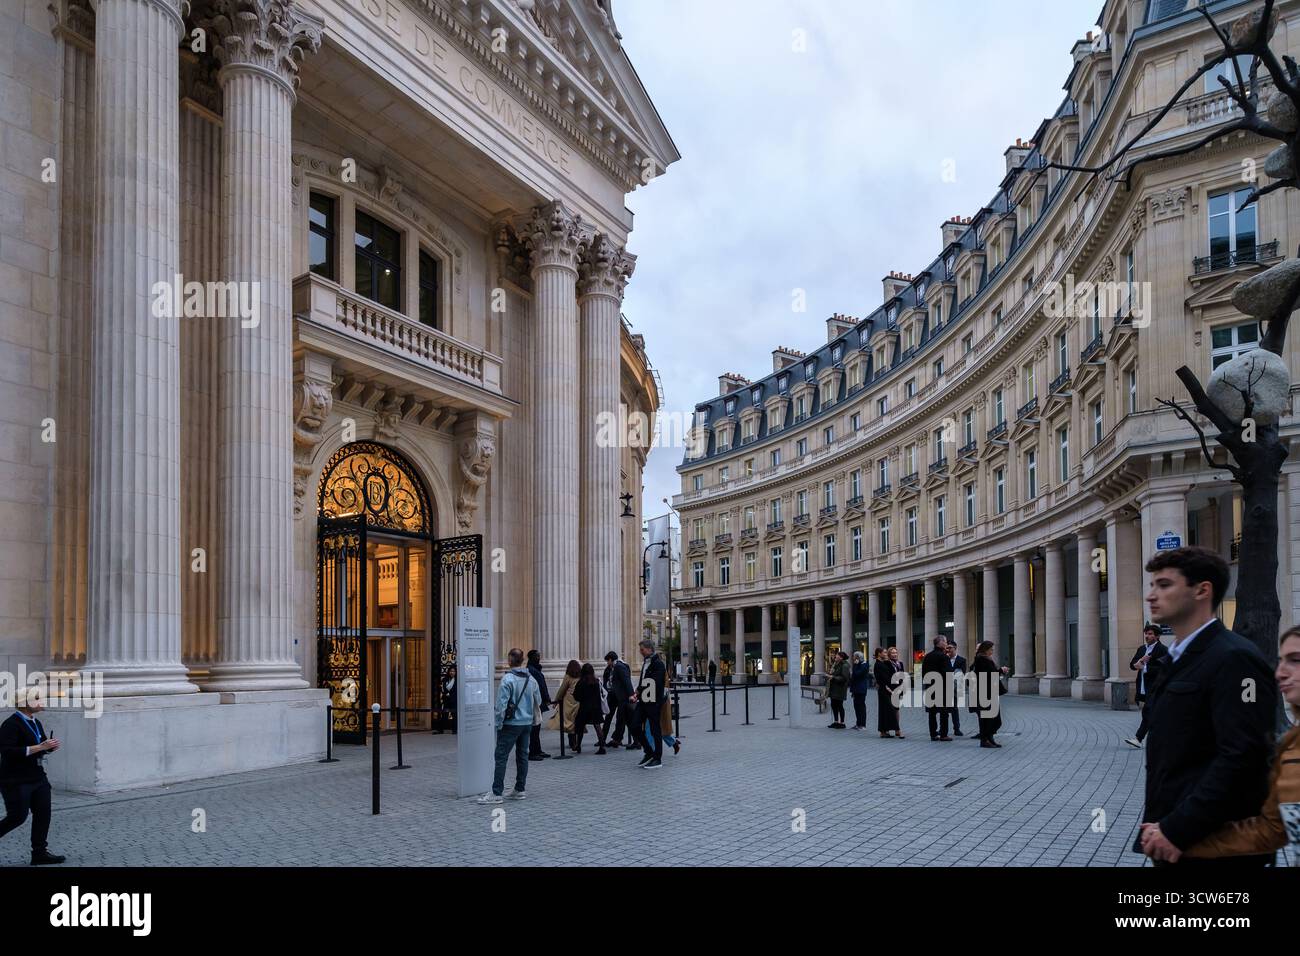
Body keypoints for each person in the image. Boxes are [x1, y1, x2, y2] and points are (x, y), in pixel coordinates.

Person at [1131, 546, 1276, 866]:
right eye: (1152, 585)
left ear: (1202, 590)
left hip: (1215, 847)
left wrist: (1177, 828)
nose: (1151, 595)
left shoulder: (1235, 658)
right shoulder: (1175, 658)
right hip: (1173, 839)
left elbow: (1244, 758)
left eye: (1164, 584)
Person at [1167, 626, 1300, 861]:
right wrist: (1180, 841)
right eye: (1281, 661)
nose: (1280, 673)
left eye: (1295, 660)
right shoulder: (1290, 745)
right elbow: (1271, 829)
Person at [0, 688, 64, 864]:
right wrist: (41, 747)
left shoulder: (35, 722)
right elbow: (7, 751)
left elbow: (40, 744)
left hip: (37, 777)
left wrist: (49, 747)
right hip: (15, 780)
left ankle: (39, 853)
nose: (41, 700)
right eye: (37, 698)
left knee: (43, 813)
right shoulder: (10, 724)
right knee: (17, 817)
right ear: (25, 703)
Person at [477, 648, 541, 804]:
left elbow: (501, 706)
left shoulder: (508, 680)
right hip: (527, 723)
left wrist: (498, 724)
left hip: (511, 724)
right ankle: (520, 789)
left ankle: (496, 792)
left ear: (510, 660)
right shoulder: (531, 679)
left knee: (501, 757)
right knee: (522, 756)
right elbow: (537, 700)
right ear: (522, 660)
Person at [1125, 624, 1168, 748]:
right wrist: (1138, 663)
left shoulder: (1163, 650)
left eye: (1150, 634)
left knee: (1148, 711)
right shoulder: (1142, 649)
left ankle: (1138, 738)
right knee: (1153, 713)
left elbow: (1164, 669)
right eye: (1146, 633)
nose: (1147, 636)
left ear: (1157, 636)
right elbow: (1132, 664)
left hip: (1157, 687)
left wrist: (1146, 667)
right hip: (1143, 686)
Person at [969, 641, 1008, 748]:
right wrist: (1000, 670)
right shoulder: (981, 659)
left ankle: (990, 738)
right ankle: (985, 740)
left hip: (990, 691)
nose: (993, 650)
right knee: (987, 717)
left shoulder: (986, 659)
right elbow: (986, 675)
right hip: (985, 692)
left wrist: (999, 671)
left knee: (994, 718)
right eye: (991, 649)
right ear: (985, 649)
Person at [634, 639, 666, 768]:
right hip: (643, 700)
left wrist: (639, 690)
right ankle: (649, 752)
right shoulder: (645, 662)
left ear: (649, 649)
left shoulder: (658, 663)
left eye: (642, 649)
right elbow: (644, 680)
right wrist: (638, 692)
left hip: (653, 701)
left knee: (655, 729)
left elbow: (654, 682)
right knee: (634, 725)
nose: (640, 652)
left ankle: (657, 758)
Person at [601, 651, 635, 749]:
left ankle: (634, 741)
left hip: (622, 697)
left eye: (608, 661)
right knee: (611, 717)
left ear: (611, 659)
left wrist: (631, 695)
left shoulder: (620, 667)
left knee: (623, 719)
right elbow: (607, 680)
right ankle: (606, 739)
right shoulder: (610, 668)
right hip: (614, 696)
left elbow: (626, 681)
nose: (607, 663)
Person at [571, 663, 608, 755]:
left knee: (579, 726)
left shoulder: (581, 682)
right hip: (596, 708)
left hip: (584, 708)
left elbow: (576, 696)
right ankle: (602, 746)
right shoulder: (596, 681)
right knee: (597, 726)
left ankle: (578, 745)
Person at [922, 637, 953, 741]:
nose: (946, 643)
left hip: (930, 687)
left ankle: (933, 734)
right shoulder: (944, 657)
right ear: (940, 643)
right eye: (945, 641)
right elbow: (948, 673)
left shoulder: (927, 656)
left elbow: (923, 673)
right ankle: (944, 734)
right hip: (942, 688)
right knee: (944, 712)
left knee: (932, 713)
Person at [546, 659, 581, 751]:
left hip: (568, 702)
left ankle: (572, 742)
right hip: (579, 701)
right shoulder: (581, 676)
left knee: (569, 721)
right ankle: (576, 742)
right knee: (576, 720)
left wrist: (557, 700)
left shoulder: (568, 676)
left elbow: (562, 689)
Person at [526, 649, 552, 761]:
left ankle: (538, 750)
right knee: (534, 728)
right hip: (535, 702)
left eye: (539, 656)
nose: (539, 658)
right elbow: (539, 686)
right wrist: (546, 698)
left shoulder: (534, 669)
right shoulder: (532, 670)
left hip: (538, 702)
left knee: (537, 727)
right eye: (537, 656)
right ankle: (533, 752)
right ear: (532, 657)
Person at [874, 647, 905, 739]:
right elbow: (883, 678)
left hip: (892, 689)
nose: (886, 654)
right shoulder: (882, 664)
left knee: (889, 710)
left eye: (896, 652)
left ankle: (884, 731)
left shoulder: (892, 663)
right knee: (890, 710)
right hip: (887, 689)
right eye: (885, 652)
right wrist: (888, 688)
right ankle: (897, 730)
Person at [944, 640, 967, 736]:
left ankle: (956, 729)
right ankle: (942, 729)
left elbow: (962, 673)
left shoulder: (961, 660)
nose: (948, 650)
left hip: (955, 688)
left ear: (955, 648)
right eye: (947, 648)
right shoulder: (944, 659)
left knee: (954, 708)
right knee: (944, 709)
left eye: (950, 648)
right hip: (944, 687)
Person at [825, 651, 850, 729]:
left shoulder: (845, 665)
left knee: (839, 705)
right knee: (833, 705)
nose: (835, 656)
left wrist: (833, 677)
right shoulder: (835, 664)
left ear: (841, 657)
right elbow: (833, 673)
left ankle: (842, 723)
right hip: (834, 688)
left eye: (837, 656)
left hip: (840, 689)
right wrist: (829, 675)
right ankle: (836, 722)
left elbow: (844, 678)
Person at [849, 651, 872, 730]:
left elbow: (857, 674)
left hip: (861, 689)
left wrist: (855, 665)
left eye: (854, 657)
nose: (853, 659)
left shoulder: (864, 665)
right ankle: (858, 723)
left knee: (861, 707)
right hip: (856, 689)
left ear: (858, 658)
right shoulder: (859, 665)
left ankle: (862, 725)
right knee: (856, 707)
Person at [441, 664, 457, 733]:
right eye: (451, 671)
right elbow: (443, 688)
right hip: (446, 700)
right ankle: (441, 729)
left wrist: (450, 694)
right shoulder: (445, 679)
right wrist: (446, 693)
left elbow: (456, 690)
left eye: (453, 671)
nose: (452, 672)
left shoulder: (457, 680)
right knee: (444, 715)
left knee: (454, 715)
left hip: (453, 700)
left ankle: (454, 730)